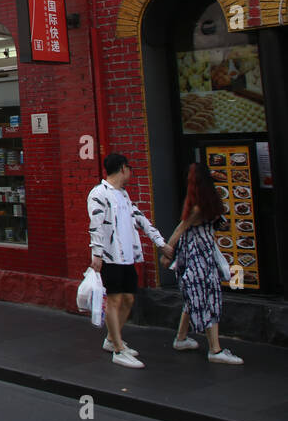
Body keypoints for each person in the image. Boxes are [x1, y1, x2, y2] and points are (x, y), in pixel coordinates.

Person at [88, 153, 167, 368]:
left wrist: (160, 242)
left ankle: (113, 339)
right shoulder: (99, 193)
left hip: (127, 256)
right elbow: (95, 226)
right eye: (130, 168)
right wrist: (97, 254)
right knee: (114, 300)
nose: (131, 172)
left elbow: (140, 218)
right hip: (110, 256)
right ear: (123, 168)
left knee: (129, 299)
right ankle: (118, 350)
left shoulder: (123, 194)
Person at [161, 163, 244, 364]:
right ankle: (215, 350)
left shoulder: (198, 204)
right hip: (200, 258)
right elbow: (181, 229)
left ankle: (181, 339)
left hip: (196, 256)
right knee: (208, 298)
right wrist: (166, 252)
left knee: (195, 298)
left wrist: (168, 253)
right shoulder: (204, 205)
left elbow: (181, 230)